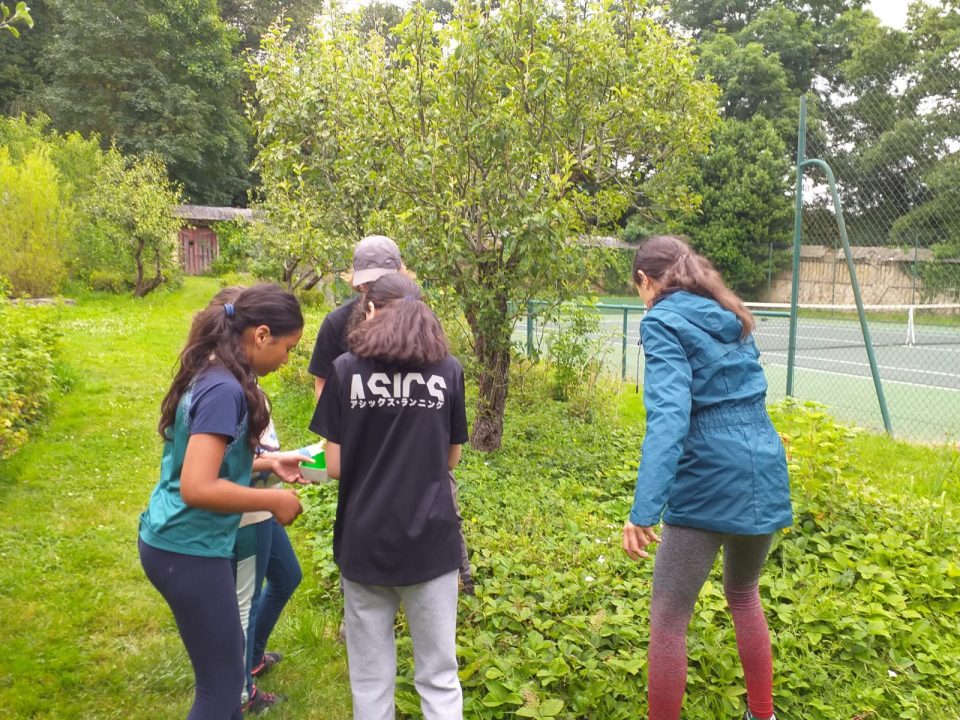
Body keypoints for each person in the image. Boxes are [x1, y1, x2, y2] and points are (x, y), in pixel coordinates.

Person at [620, 235, 793, 720]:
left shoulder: (661, 321)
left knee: (670, 617)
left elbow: (669, 419)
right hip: (762, 466)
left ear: (645, 281)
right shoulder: (731, 315)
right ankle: (763, 715)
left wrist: (643, 510)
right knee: (743, 593)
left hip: (708, 474)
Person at [138, 284, 306, 720]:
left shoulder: (215, 373)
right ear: (261, 334)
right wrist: (272, 504)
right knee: (221, 690)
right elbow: (198, 486)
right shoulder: (224, 389)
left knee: (229, 680)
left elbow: (211, 466)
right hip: (186, 547)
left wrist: (269, 464)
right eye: (288, 348)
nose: (288, 360)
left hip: (177, 540)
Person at [310, 273, 468, 720]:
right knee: (439, 674)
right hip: (431, 544)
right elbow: (451, 459)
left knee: (370, 678)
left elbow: (334, 465)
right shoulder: (447, 370)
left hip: (364, 540)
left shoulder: (344, 370)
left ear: (372, 310)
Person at [308, 234, 474, 593]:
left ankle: (458, 572)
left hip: (422, 446)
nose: (373, 290)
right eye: (367, 284)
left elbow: (448, 434)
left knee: (443, 503)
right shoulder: (338, 324)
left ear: (401, 273)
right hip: (365, 443)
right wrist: (334, 433)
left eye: (380, 281)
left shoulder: (426, 327)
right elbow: (324, 381)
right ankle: (357, 601)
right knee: (367, 511)